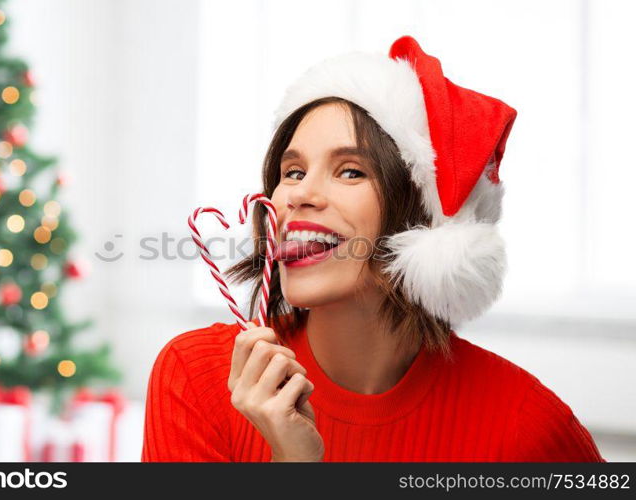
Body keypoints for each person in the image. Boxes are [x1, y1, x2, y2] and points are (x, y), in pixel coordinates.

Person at [142, 36, 605, 462]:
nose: (299, 194)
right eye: (294, 172)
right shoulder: (198, 379)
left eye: (350, 172)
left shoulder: (526, 427)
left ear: (423, 223)